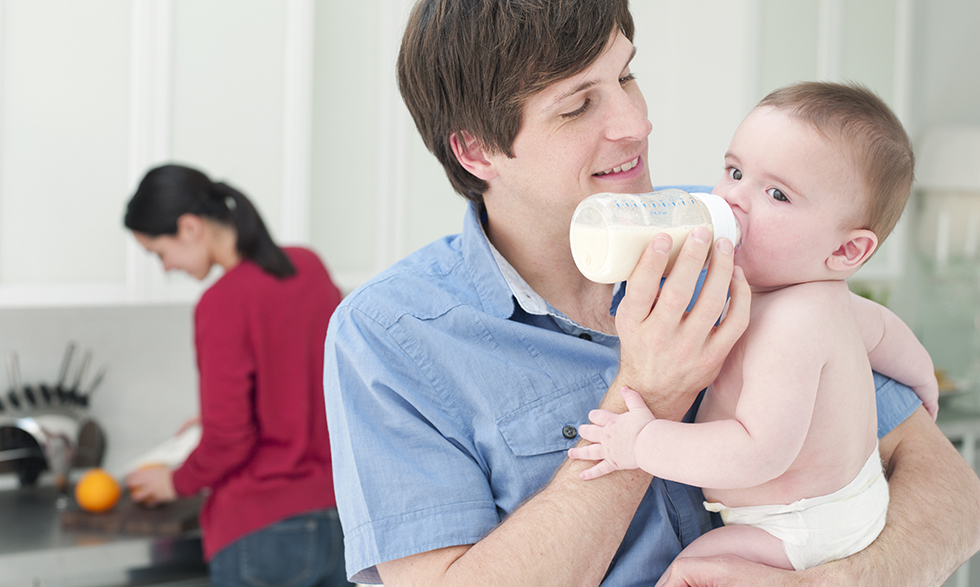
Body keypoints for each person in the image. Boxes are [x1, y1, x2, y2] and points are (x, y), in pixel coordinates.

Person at [322, 1, 980, 585]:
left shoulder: (742, 236)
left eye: (627, 75)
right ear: (476, 152)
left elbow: (954, 496)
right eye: (579, 105)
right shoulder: (391, 333)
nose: (636, 122)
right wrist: (648, 391)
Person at [568, 82, 939, 575]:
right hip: (840, 502)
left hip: (801, 528)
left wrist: (641, 444)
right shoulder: (827, 301)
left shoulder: (792, 326)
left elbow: (756, 451)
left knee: (692, 568)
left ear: (847, 251)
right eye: (735, 171)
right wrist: (924, 382)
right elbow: (889, 336)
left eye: (777, 194)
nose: (735, 199)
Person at [122, 164, 352, 587]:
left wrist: (176, 481)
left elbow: (230, 439)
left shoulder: (221, 302)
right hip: (340, 521)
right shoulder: (309, 266)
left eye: (158, 252)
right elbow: (318, 385)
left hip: (261, 530)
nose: (165, 267)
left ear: (190, 227)